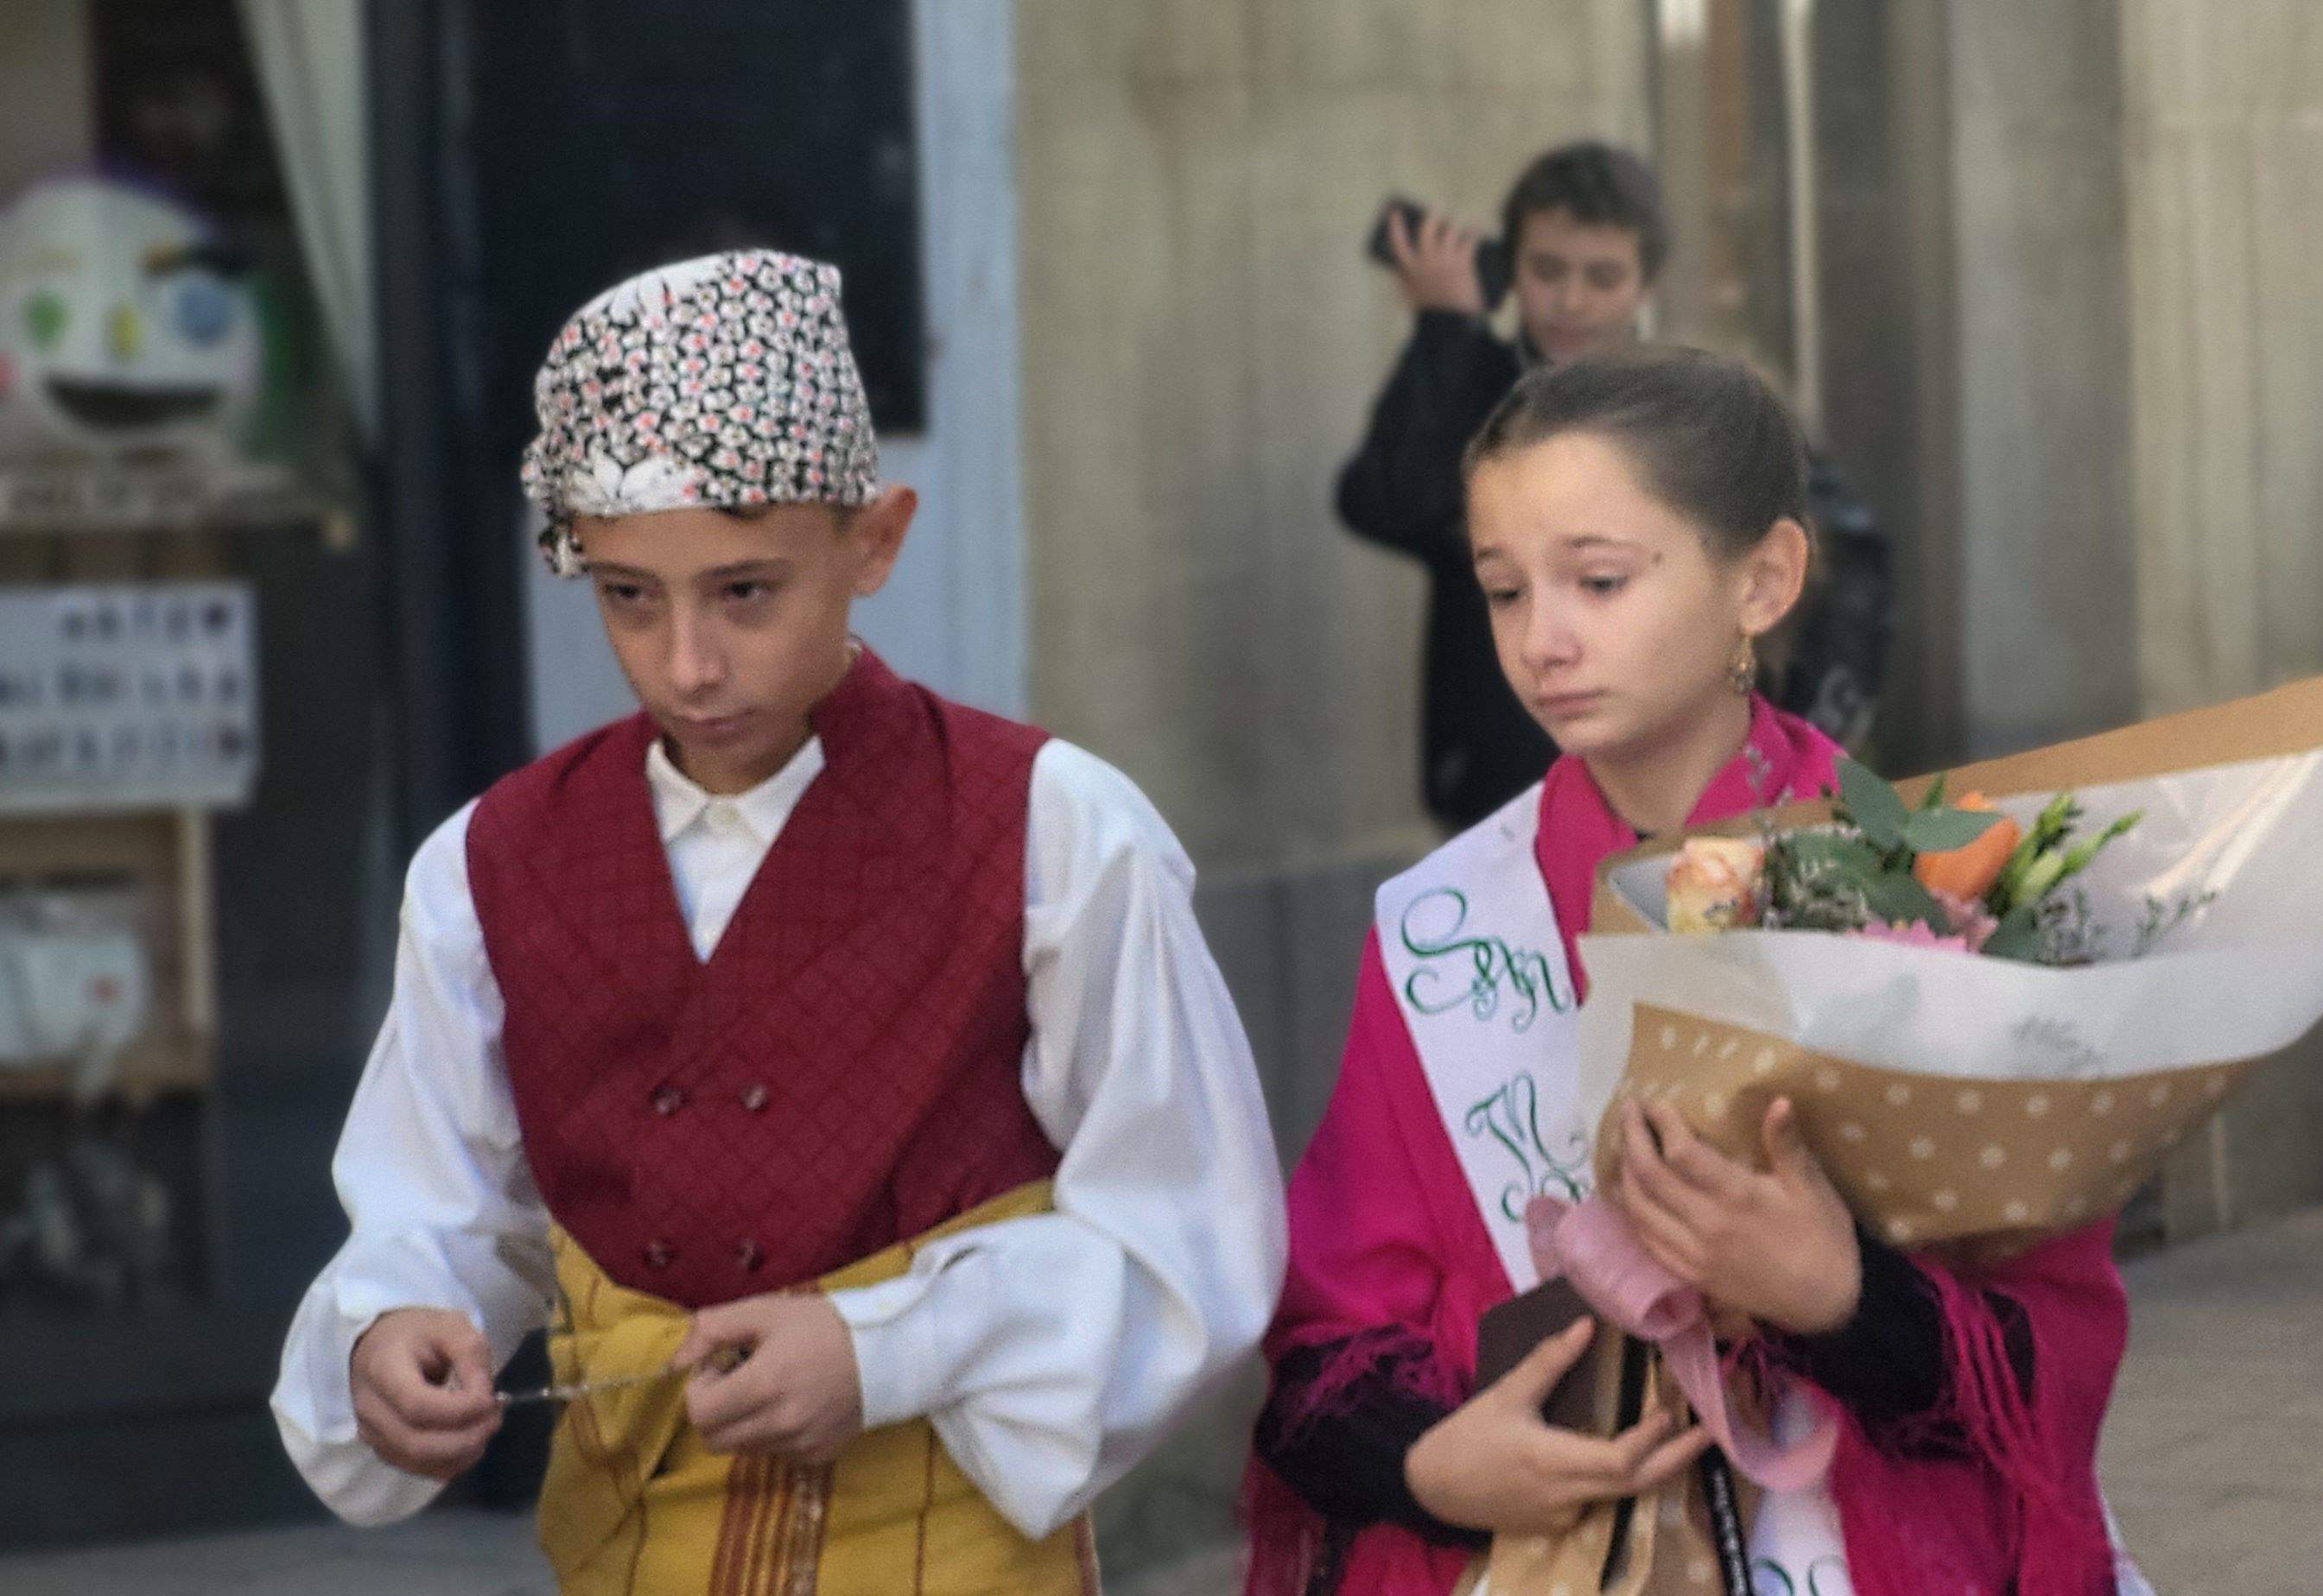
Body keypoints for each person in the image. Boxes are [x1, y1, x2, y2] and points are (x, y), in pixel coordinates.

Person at [268, 250, 1286, 1592]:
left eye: (746, 592)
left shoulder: (1054, 830)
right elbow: (447, 1202)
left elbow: (1192, 1232)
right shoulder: (488, 863)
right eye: (631, 597)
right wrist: (392, 1328)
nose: (688, 663)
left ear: (874, 540)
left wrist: (892, 1350)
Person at [1247, 345, 2134, 1596]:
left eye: (1599, 580)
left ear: (1763, 580)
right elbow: (1331, 1333)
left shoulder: (1936, 888)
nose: (1543, 639)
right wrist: (1433, 1466)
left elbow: (2051, 1345)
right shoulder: (1442, 925)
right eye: (1503, 591)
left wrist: (1839, 1293)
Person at [1339, 142, 1890, 830]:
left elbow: (1846, 554)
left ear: (1646, 283)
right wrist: (1444, 328)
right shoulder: (1471, 379)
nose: (1572, 301)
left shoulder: (1698, 399)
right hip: (1502, 783)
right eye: (1547, 271)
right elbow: (1384, 501)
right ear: (1510, 268)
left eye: (1602, 277)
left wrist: (1799, 739)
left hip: (1696, 794)